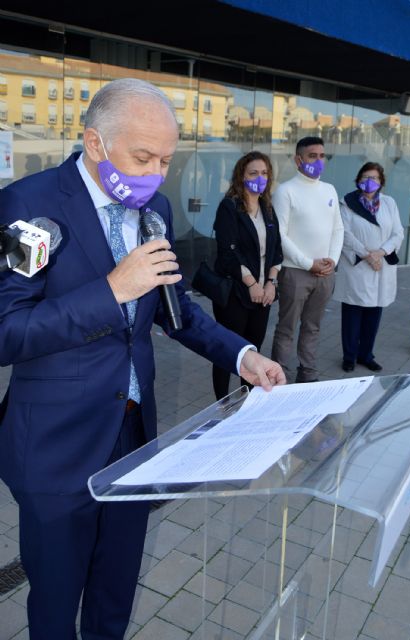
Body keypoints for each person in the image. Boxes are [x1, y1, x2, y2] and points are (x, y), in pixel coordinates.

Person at [0, 78, 285, 640]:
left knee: (115, 594)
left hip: (134, 440)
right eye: (143, 156)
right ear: (95, 142)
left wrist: (244, 355)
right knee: (55, 607)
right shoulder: (29, 207)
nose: (155, 172)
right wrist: (110, 290)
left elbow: (173, 306)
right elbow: (7, 331)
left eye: (166, 159)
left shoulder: (153, 205)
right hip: (55, 448)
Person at [271, 136, 344, 383]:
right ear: (298, 159)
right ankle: (280, 376)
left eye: (322, 156)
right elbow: (279, 235)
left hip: (325, 272)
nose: (319, 160)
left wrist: (332, 260)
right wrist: (307, 263)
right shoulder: (286, 190)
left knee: (313, 327)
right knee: (287, 329)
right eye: (313, 156)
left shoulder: (330, 189)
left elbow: (338, 229)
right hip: (296, 272)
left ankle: (308, 374)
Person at [211, 151, 283, 399]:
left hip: (263, 294)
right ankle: (221, 403)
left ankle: (248, 402)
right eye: (253, 173)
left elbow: (277, 251)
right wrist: (252, 283)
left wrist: (271, 283)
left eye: (264, 173)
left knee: (254, 350)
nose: (259, 178)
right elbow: (228, 252)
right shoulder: (229, 207)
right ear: (241, 176)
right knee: (227, 351)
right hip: (236, 293)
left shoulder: (268, 208)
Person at [333, 162, 404, 372]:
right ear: (358, 180)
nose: (369, 182)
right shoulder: (347, 202)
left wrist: (381, 252)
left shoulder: (389, 203)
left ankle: (366, 354)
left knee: (374, 313)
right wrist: (367, 255)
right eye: (365, 177)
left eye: (374, 178)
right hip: (358, 264)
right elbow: (344, 233)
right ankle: (349, 356)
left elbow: (398, 232)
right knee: (353, 313)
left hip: (381, 263)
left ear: (381, 182)